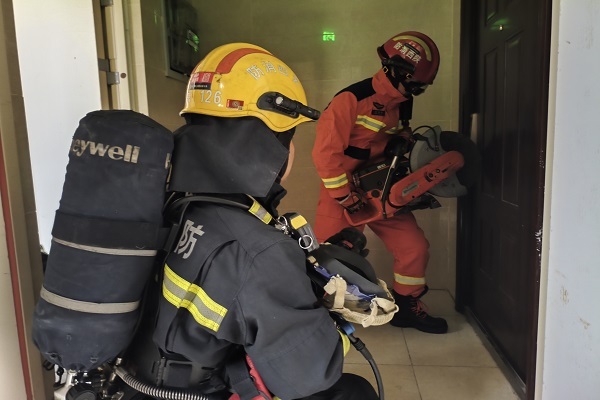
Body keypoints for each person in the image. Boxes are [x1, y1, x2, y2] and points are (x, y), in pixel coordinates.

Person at [148, 43, 379, 400]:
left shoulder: (174, 200)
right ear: (274, 146)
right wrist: (335, 316)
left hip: (151, 379)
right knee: (354, 393)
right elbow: (310, 374)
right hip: (203, 390)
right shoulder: (258, 251)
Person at [311, 32, 448, 334]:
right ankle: (319, 324)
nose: (417, 91)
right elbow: (325, 155)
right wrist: (344, 196)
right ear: (396, 70)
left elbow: (389, 137)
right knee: (328, 260)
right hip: (344, 194)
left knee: (414, 247)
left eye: (421, 87)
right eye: (415, 85)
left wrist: (402, 140)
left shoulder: (401, 103)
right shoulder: (351, 100)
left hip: (382, 190)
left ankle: (407, 307)